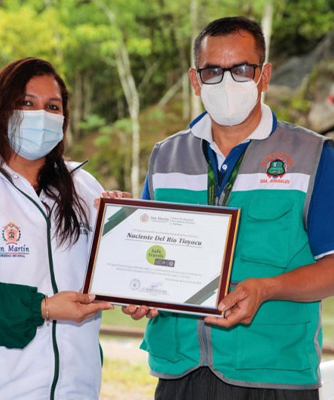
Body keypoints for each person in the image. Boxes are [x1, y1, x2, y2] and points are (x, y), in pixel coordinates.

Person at [127, 16, 334, 399]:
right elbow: (148, 256)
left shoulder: (313, 156)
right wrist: (139, 289)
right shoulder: (165, 156)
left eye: (241, 69)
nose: (227, 82)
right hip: (180, 373)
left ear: (264, 75)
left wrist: (267, 289)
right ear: (195, 80)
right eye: (213, 71)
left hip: (275, 377)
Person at [0, 57, 115, 399]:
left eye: (52, 106)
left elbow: (113, 274)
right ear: (1, 109)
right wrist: (41, 308)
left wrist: (126, 223)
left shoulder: (84, 187)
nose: (41, 115)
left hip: (74, 388)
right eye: (27, 103)